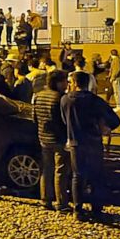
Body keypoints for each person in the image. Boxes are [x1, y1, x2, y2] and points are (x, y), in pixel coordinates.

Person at [61, 71, 120, 219]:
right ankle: (96, 208)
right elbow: (115, 120)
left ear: (74, 83)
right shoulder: (95, 101)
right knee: (96, 175)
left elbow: (64, 120)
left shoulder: (65, 100)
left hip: (75, 142)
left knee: (77, 176)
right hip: (93, 141)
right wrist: (106, 128)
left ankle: (78, 209)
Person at [33, 70, 72, 211]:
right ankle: (61, 202)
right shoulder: (60, 98)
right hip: (59, 139)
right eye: (64, 81)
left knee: (46, 169)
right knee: (60, 171)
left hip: (43, 137)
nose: (67, 84)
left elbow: (35, 118)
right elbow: (65, 121)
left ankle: (45, 200)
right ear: (58, 82)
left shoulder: (38, 96)